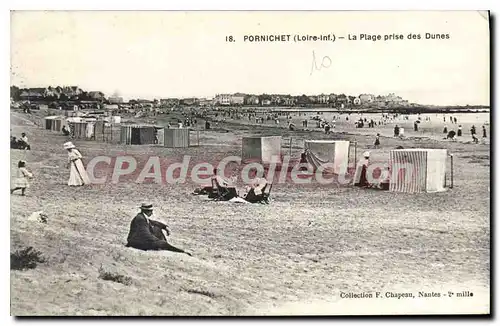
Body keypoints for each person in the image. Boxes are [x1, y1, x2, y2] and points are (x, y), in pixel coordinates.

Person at [126, 203, 192, 255]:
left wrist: (165, 227)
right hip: (135, 242)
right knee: (162, 243)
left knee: (157, 228)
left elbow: (153, 222)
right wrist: (157, 241)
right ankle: (181, 251)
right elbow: (145, 234)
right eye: (151, 211)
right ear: (147, 211)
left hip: (137, 240)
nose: (152, 213)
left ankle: (166, 245)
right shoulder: (140, 219)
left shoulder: (141, 216)